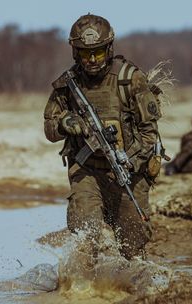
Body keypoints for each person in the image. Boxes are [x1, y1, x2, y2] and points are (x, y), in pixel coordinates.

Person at [43, 14, 161, 265]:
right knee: (85, 235)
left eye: (97, 52)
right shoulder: (68, 84)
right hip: (87, 171)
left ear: (108, 48)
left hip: (129, 172)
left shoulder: (130, 79)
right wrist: (65, 123)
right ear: (76, 53)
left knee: (132, 247)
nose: (92, 60)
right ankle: (85, 288)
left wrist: (130, 160)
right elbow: (49, 128)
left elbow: (150, 134)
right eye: (86, 54)